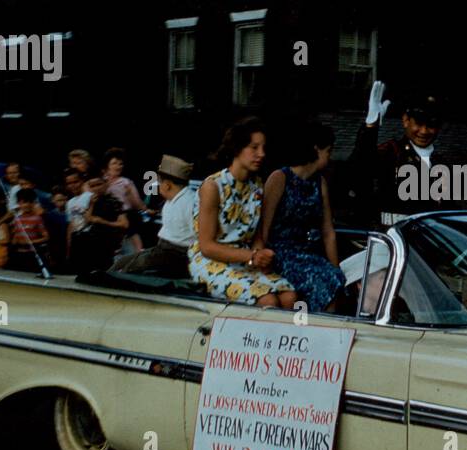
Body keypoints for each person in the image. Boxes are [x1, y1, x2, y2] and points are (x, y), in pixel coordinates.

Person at [190, 118, 297, 307]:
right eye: (254, 147)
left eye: (263, 148)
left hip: (244, 261)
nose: (261, 154)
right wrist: (251, 257)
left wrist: (260, 255)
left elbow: (255, 234)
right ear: (237, 148)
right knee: (268, 300)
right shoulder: (213, 186)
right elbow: (207, 246)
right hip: (210, 261)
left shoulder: (256, 186)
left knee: (289, 296)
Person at [260, 124, 345, 311]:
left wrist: (335, 267)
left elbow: (328, 231)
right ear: (316, 149)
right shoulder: (280, 178)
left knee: (335, 278)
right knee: (320, 279)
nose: (329, 157)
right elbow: (263, 227)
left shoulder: (319, 183)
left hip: (304, 251)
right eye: (328, 151)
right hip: (279, 252)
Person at [352, 81, 459, 226]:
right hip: (393, 239)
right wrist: (371, 126)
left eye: (431, 125)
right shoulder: (391, 152)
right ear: (406, 120)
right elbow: (359, 167)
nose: (424, 131)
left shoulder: (441, 164)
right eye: (419, 123)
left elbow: (450, 212)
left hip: (426, 240)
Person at [110, 155, 196, 278]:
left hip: (177, 254)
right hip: (162, 249)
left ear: (167, 185)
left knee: (127, 270)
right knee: (120, 263)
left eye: (159, 182)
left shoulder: (190, 202)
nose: (158, 185)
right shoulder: (170, 200)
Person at [68, 176, 128, 274]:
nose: (96, 188)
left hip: (107, 238)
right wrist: (91, 204)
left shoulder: (114, 202)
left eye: (99, 184)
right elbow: (88, 219)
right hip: (93, 237)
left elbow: (124, 224)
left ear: (105, 184)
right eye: (92, 186)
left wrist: (102, 221)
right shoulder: (93, 201)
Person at [102, 147, 145, 255]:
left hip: (126, 216)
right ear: (107, 165)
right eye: (114, 163)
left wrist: (129, 193)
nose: (118, 166)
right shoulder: (100, 181)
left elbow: (138, 204)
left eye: (120, 164)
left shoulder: (126, 182)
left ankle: (138, 253)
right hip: (106, 217)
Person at [11, 188, 50, 271]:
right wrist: (14, 241)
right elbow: (15, 235)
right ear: (19, 203)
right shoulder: (17, 219)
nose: (27, 205)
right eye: (24, 202)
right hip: (19, 254)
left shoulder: (37, 218)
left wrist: (31, 242)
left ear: (33, 203)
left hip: (32, 255)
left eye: (30, 202)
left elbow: (46, 237)